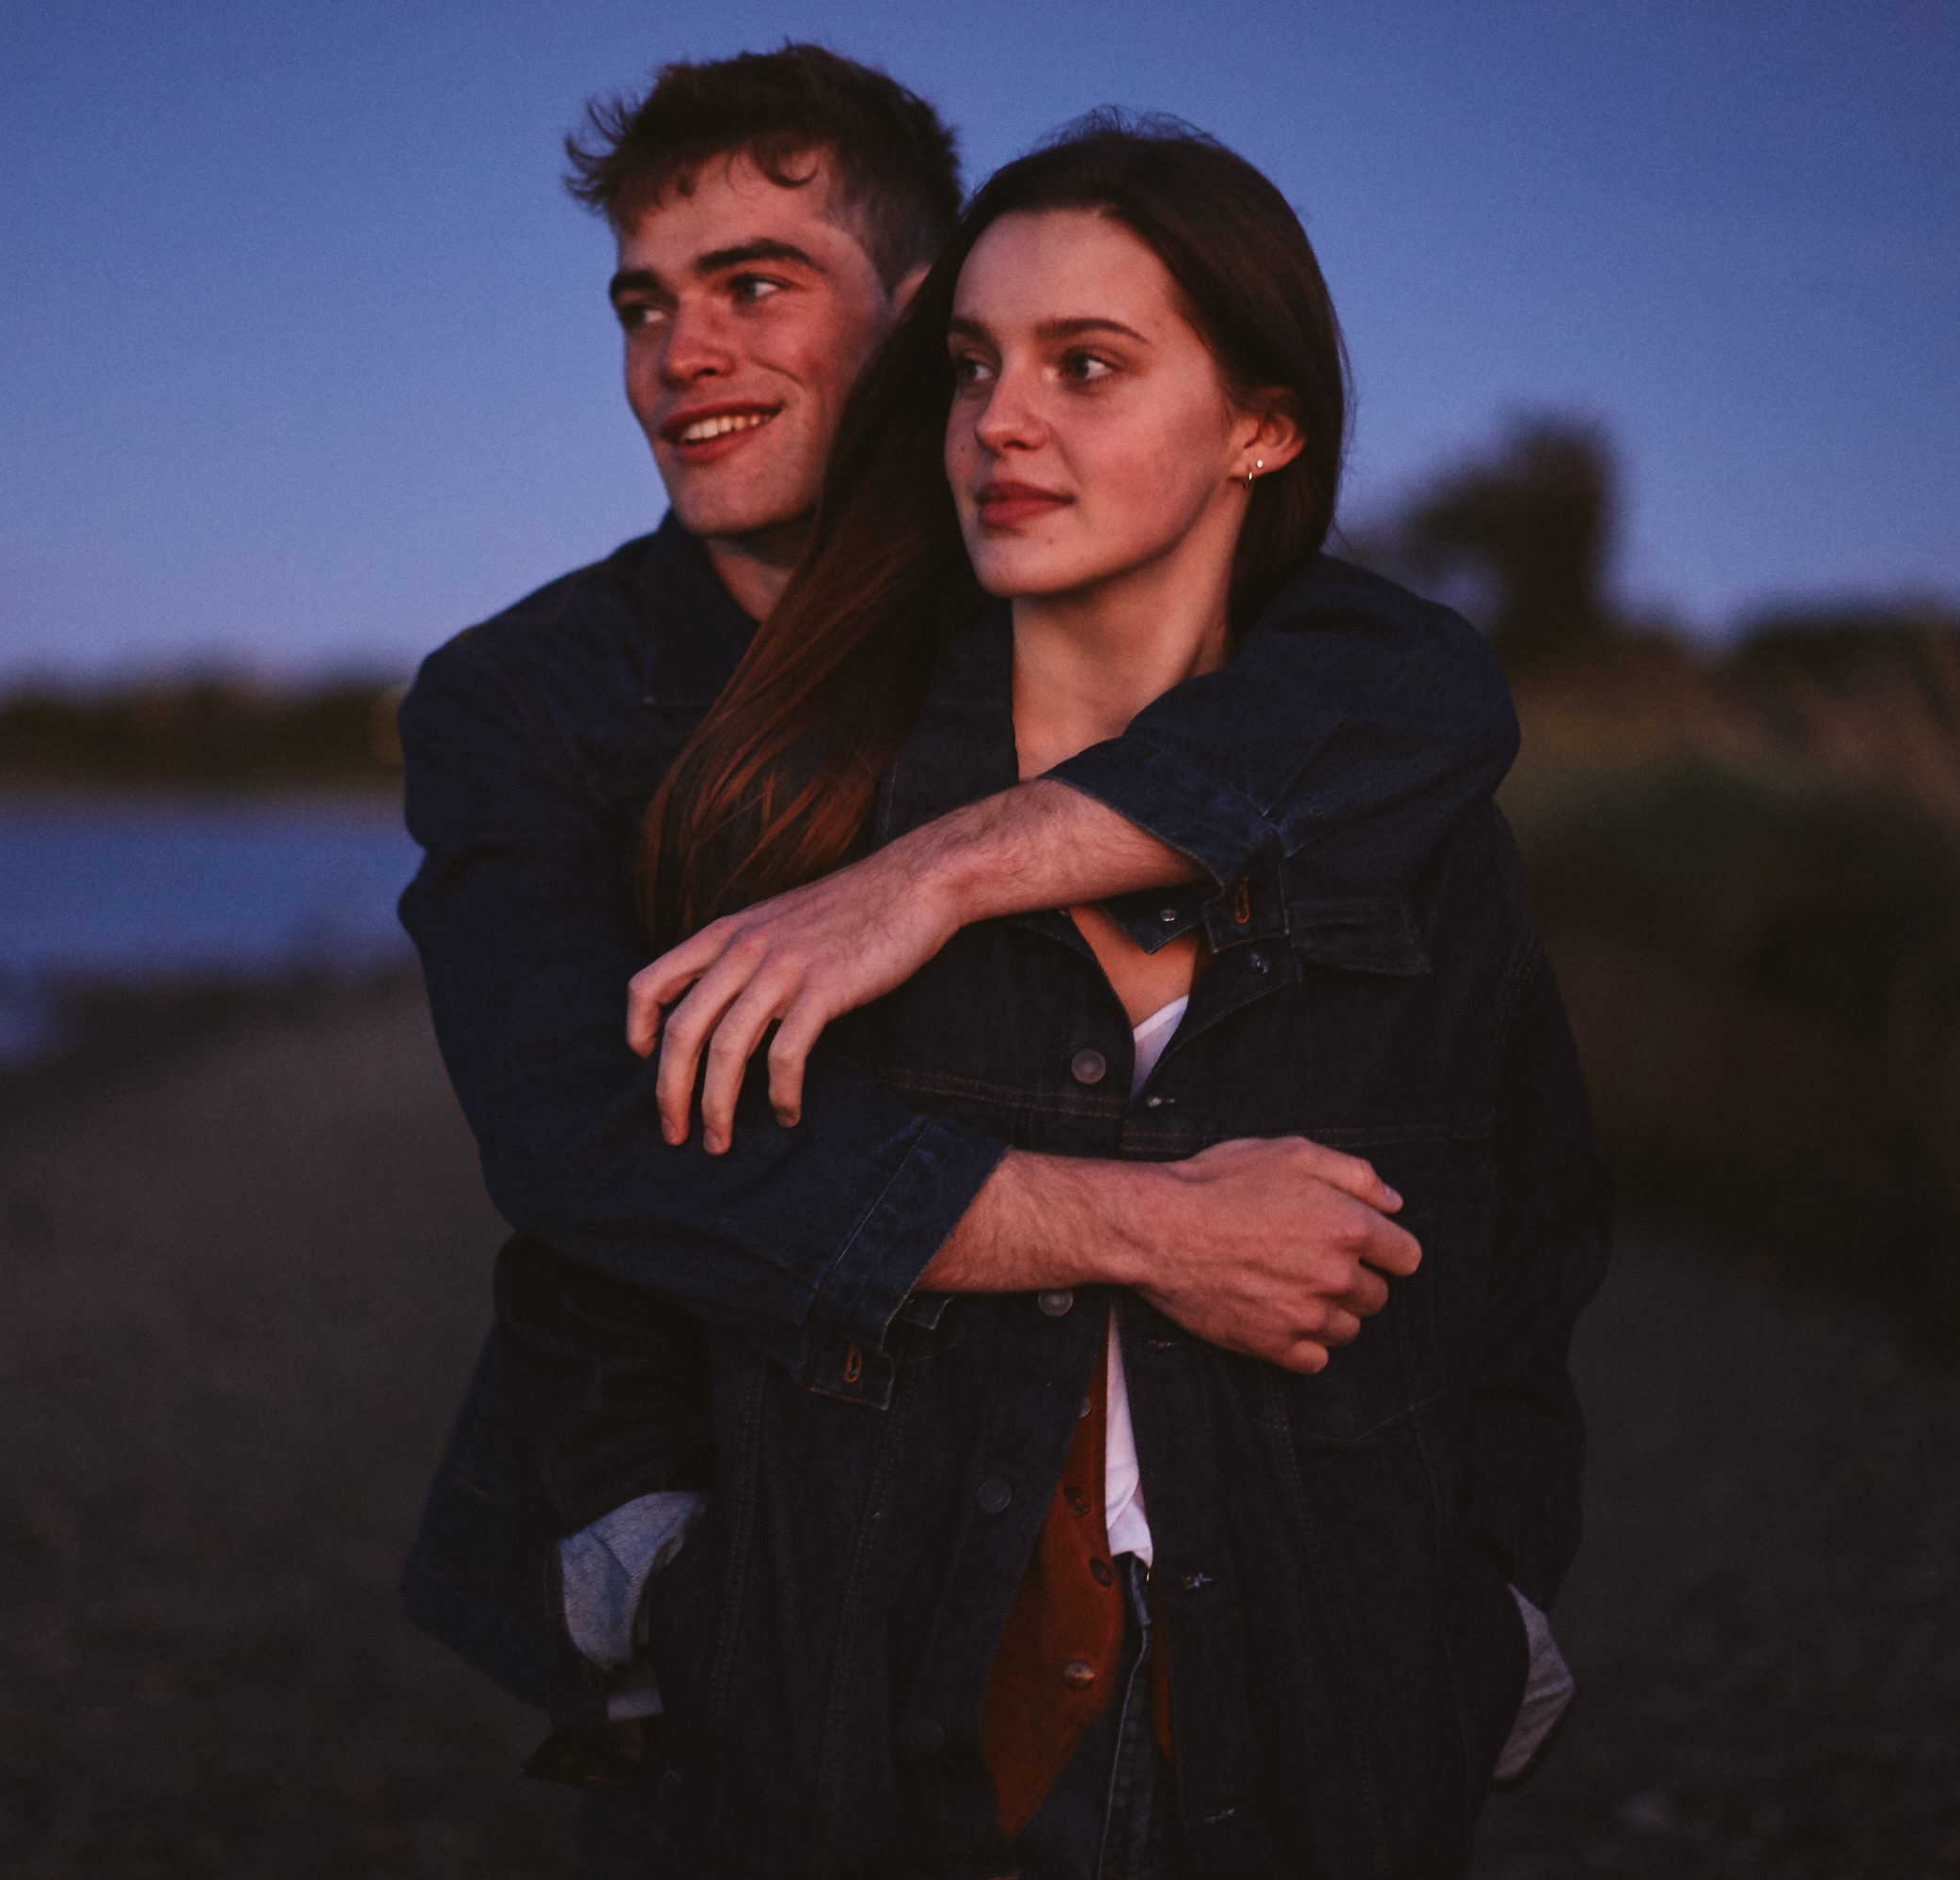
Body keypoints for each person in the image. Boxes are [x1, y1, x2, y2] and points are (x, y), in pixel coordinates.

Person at [390, 42, 1523, 1845]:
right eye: (644, 305)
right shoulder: (532, 702)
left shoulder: (1077, 594)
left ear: (914, 312)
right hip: (749, 1557)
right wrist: (1154, 1233)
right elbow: (587, 1141)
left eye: (757, 286)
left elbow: (1430, 689)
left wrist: (935, 873)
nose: (684, 355)